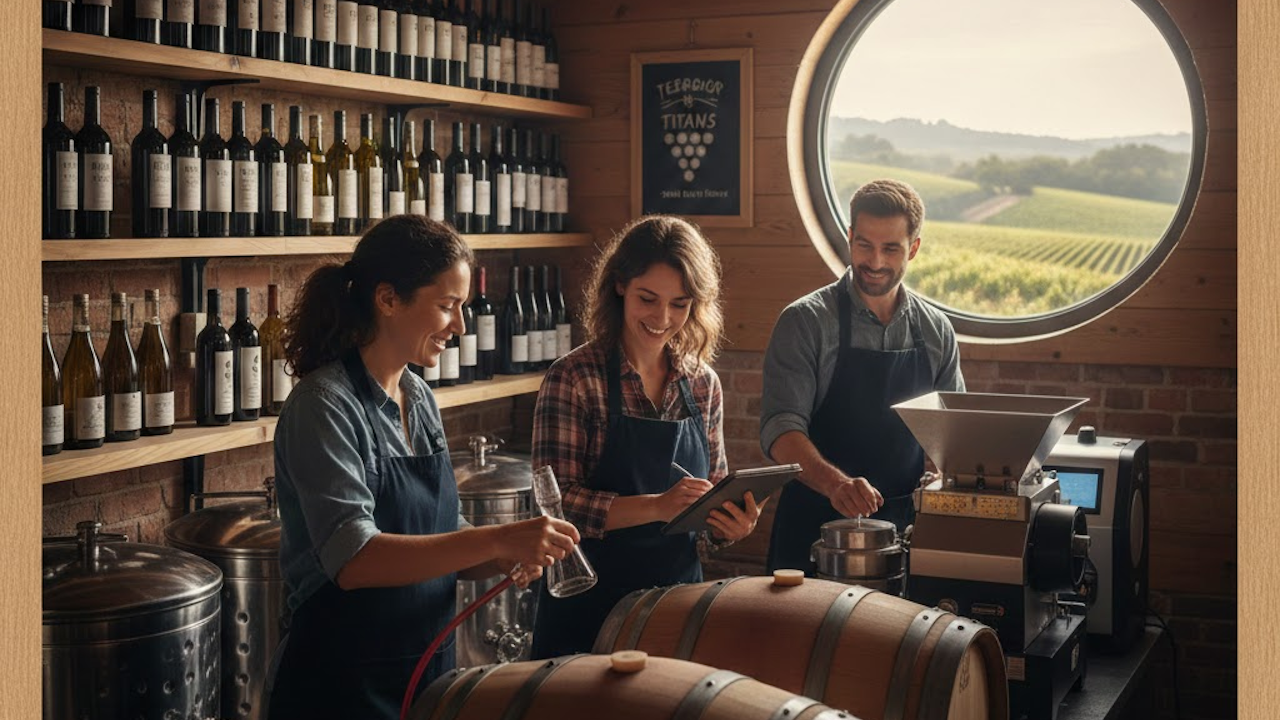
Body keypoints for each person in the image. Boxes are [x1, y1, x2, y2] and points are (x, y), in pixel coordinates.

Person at [266, 215, 580, 720]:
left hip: (426, 673)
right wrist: (497, 541)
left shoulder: (418, 395)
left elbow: (440, 532)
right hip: (340, 684)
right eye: (447, 306)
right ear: (388, 299)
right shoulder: (323, 405)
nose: (458, 326)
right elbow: (355, 560)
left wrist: (499, 556)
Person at [529, 215, 766, 658]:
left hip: (676, 610)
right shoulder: (574, 378)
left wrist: (732, 525)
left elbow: (711, 499)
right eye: (648, 299)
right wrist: (657, 506)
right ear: (619, 285)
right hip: (588, 608)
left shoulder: (702, 384)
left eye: (680, 304)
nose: (662, 318)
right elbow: (554, 508)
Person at [760, 179, 965, 575]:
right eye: (865, 244)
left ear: (915, 248)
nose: (874, 261)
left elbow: (951, 437)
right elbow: (780, 430)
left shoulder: (937, 330)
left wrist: (941, 481)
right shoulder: (805, 321)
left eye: (891, 248)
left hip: (903, 535)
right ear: (850, 236)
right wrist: (836, 484)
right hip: (815, 532)